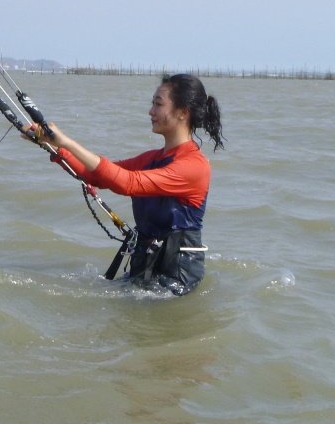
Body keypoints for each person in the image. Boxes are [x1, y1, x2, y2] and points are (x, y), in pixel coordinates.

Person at [29, 73, 225, 296]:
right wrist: (52, 146)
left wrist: (68, 142)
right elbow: (97, 176)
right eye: (152, 103)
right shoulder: (153, 158)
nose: (151, 111)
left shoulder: (193, 166)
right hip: (145, 267)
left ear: (182, 113)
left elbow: (127, 183)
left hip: (177, 276)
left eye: (158, 104)